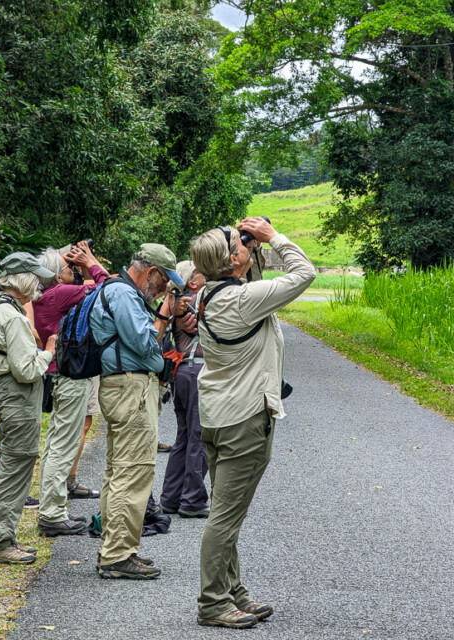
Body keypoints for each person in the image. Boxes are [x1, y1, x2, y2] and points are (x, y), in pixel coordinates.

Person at [190, 218, 315, 629]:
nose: (246, 243)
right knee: (226, 516)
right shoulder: (242, 301)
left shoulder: (209, 295)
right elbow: (304, 273)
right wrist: (273, 237)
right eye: (238, 243)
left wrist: (248, 251)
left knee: (228, 511)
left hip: (217, 416)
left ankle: (233, 592)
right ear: (231, 259)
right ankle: (212, 603)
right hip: (244, 419)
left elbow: (249, 282)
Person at [89, 243, 187, 580]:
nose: (163, 290)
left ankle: (118, 549)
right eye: (163, 282)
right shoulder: (125, 295)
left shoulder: (116, 290)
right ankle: (116, 556)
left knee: (120, 471)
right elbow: (145, 344)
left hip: (123, 386)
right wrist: (160, 352)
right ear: (151, 272)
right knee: (133, 471)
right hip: (131, 388)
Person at [0, 252, 57, 564]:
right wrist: (49, 352)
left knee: (11, 465)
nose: (39, 284)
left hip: (8, 394)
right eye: (35, 278)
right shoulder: (12, 315)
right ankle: (0, 542)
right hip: (16, 394)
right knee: (14, 467)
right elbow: (26, 369)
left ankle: (5, 536)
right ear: (23, 279)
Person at [33, 241, 108, 536]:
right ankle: (52, 514)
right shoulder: (59, 293)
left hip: (57, 375)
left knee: (55, 445)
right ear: (57, 274)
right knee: (63, 447)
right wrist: (89, 261)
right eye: (67, 267)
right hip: (70, 375)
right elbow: (107, 286)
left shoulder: (44, 295)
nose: (72, 270)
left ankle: (52, 508)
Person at [159, 260, 209, 518]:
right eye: (204, 273)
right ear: (191, 280)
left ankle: (171, 497)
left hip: (182, 373)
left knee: (184, 435)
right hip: (199, 371)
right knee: (200, 436)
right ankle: (193, 500)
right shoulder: (193, 302)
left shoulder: (175, 302)